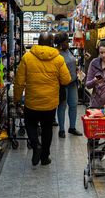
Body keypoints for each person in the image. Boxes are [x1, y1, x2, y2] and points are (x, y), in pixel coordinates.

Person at [14, 32, 71, 166]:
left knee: (30, 124)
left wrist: (16, 99)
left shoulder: (27, 57)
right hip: (50, 103)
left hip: (32, 101)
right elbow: (66, 79)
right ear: (52, 43)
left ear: (37, 42)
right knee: (47, 129)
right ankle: (45, 157)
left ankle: (36, 145)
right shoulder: (58, 59)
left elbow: (19, 81)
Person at [54, 32, 82, 138]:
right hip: (62, 84)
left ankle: (72, 128)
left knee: (73, 105)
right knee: (62, 106)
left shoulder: (68, 51)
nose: (68, 43)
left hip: (73, 83)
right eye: (66, 42)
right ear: (61, 43)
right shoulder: (56, 53)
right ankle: (61, 130)